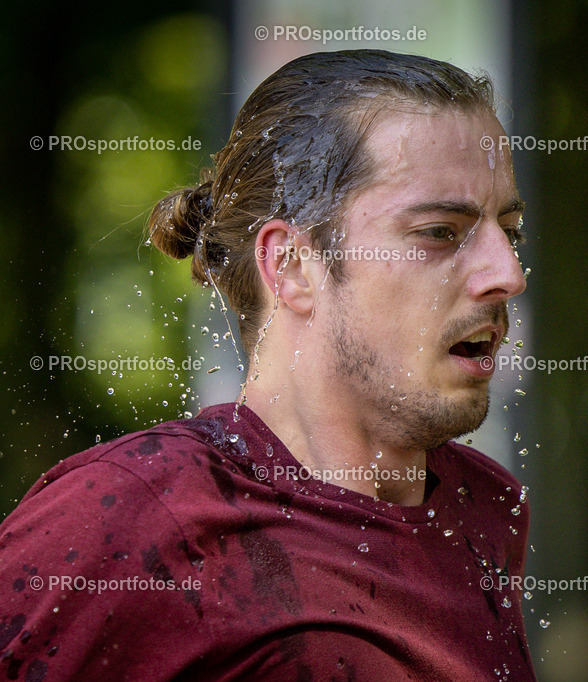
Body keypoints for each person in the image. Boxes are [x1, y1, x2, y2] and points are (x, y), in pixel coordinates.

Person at [0, 49, 534, 680]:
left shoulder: (488, 507)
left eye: (511, 232)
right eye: (440, 232)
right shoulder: (139, 512)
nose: (508, 275)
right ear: (292, 265)